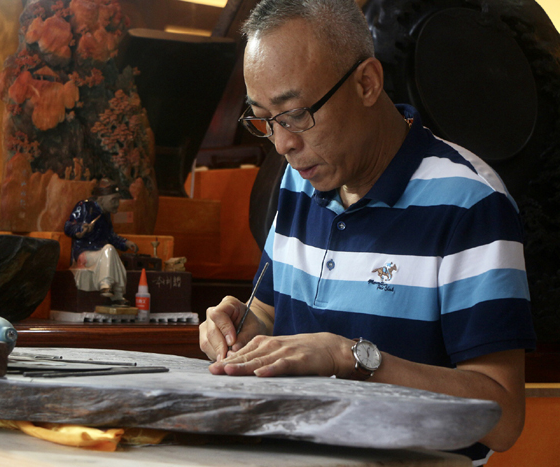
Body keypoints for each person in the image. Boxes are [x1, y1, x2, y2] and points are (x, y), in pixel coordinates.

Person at [198, 0, 536, 464]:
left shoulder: (470, 204)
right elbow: (270, 315)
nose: (283, 144)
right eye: (264, 119)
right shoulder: (298, 183)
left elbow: (504, 417)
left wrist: (350, 357)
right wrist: (240, 326)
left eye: (296, 114)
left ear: (366, 83)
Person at [64, 179, 138, 303]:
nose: (117, 204)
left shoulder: (105, 214)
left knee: (112, 254)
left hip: (102, 253)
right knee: (109, 250)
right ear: (101, 199)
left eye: (118, 200)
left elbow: (110, 236)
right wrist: (80, 229)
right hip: (84, 253)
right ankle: (107, 286)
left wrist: (125, 242)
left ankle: (117, 293)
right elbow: (68, 226)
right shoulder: (84, 206)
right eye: (113, 200)